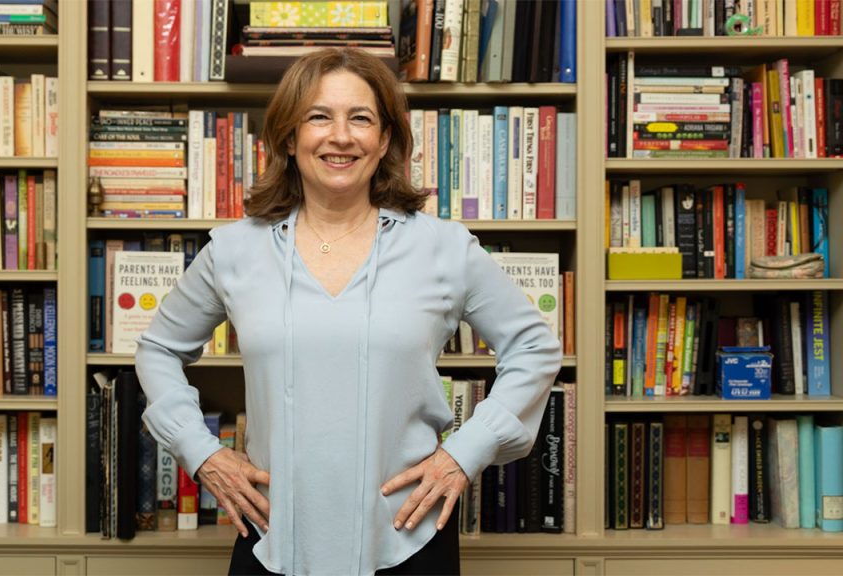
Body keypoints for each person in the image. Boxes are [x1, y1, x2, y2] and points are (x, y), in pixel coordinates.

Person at [136, 48, 562, 576]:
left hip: (410, 539)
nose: (341, 136)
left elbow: (535, 347)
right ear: (290, 138)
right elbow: (157, 349)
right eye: (319, 117)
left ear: (384, 140)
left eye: (360, 118)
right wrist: (202, 453)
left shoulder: (445, 248)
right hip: (271, 537)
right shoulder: (233, 250)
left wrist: (464, 454)